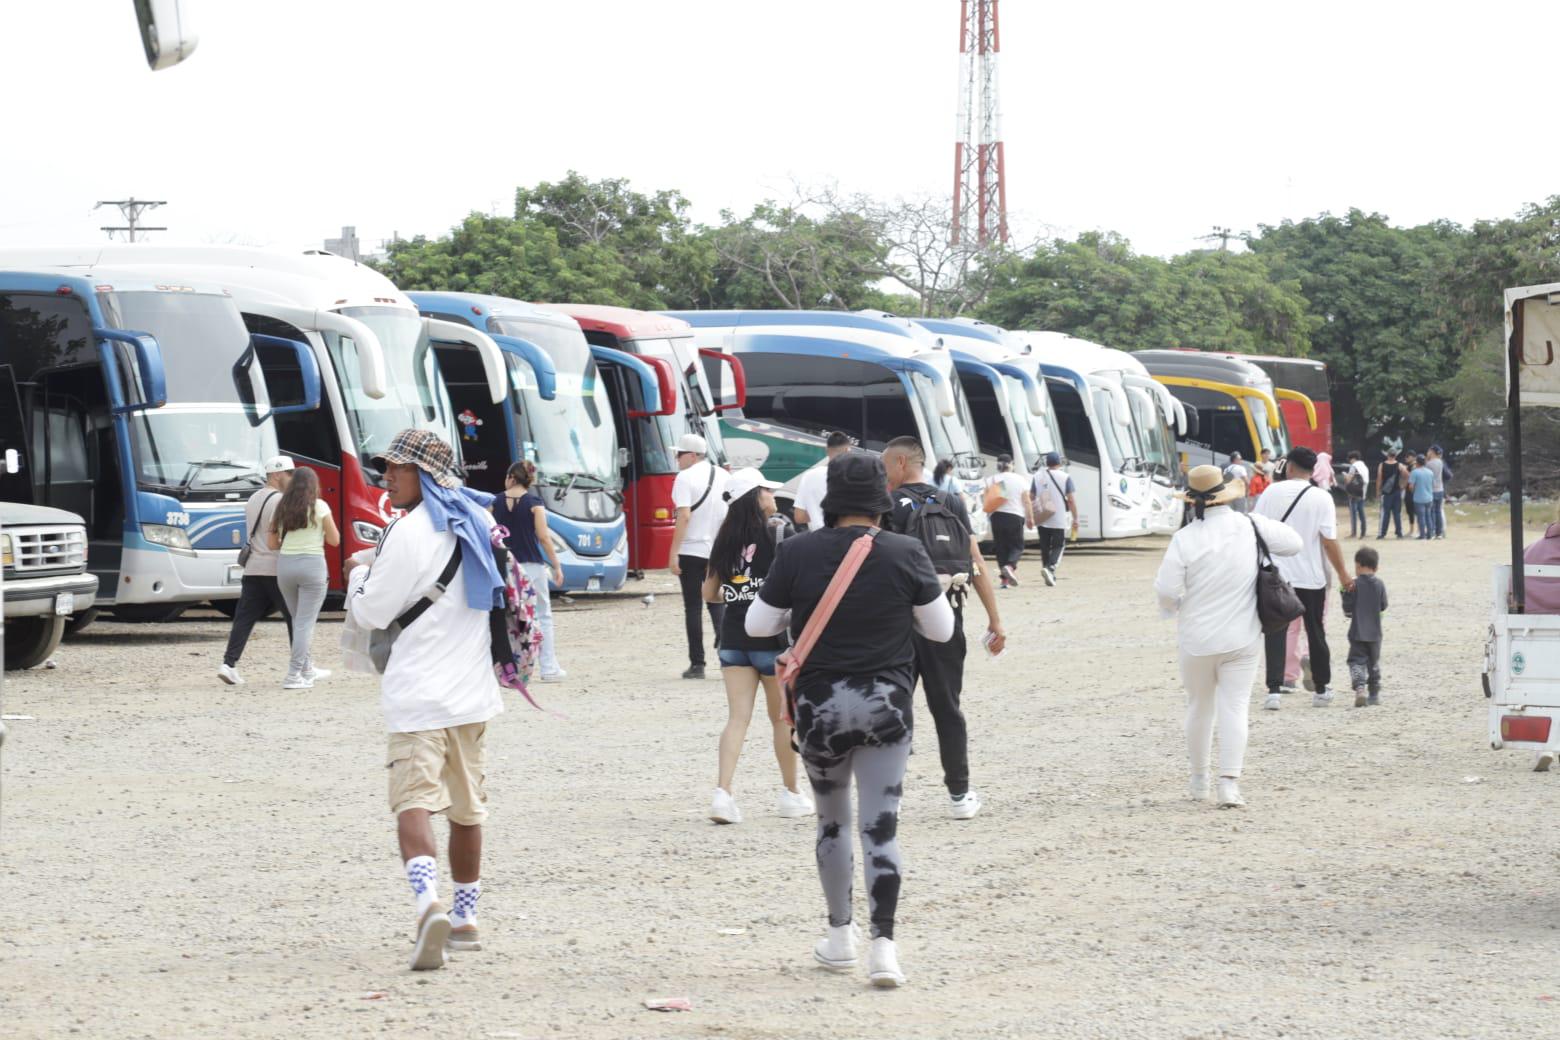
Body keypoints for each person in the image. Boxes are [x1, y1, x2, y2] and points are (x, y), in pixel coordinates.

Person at [745, 452, 955, 988]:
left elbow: (756, 623)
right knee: (880, 828)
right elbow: (940, 631)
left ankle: (840, 937)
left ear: (831, 499)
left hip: (820, 709)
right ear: (882, 499)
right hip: (886, 705)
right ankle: (884, 948)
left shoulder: (796, 551)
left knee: (832, 821)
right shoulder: (906, 552)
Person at [346, 429, 507, 971]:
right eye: (387, 466)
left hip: (417, 695)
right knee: (467, 810)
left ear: (427, 474)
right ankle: (465, 919)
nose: (387, 476)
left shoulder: (407, 531)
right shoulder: (480, 520)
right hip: (474, 695)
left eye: (398, 467)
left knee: (412, 803)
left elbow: (371, 612)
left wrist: (358, 575)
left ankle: (427, 903)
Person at [1155, 466, 1301, 808]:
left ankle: (1198, 781)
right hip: (1242, 636)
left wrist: (1174, 605)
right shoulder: (1249, 525)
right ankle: (1228, 784)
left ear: (1193, 501)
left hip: (1196, 639)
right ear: (1226, 495)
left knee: (1199, 706)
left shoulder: (1185, 538)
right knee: (1235, 707)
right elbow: (1293, 543)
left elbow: (1166, 590)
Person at [882, 436, 1006, 820]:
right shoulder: (951, 501)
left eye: (886, 466)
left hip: (898, 622)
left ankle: (889, 795)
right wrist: (995, 619)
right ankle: (960, 794)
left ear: (902, 463)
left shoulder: (889, 505)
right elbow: (977, 562)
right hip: (948, 614)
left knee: (893, 706)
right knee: (947, 708)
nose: (883, 474)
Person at [702, 467, 812, 824]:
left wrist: (738, 592)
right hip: (771, 639)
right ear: (755, 495)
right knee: (781, 720)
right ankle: (791, 794)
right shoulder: (777, 533)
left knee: (737, 718)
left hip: (732, 639)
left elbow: (708, 593)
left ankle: (723, 794)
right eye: (767, 489)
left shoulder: (723, 538)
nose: (772, 495)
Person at [1252, 447, 1355, 710]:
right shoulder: (1322, 498)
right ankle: (1321, 689)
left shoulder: (1271, 492)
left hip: (1275, 573)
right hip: (1311, 576)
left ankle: (1274, 690)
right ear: (1312, 470)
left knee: (1276, 629)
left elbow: (1257, 530)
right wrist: (1343, 574)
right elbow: (1329, 541)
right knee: (1315, 631)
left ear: (1289, 467)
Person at [219, 456, 295, 685]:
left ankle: (228, 664)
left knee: (244, 618)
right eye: (288, 474)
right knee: (295, 617)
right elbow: (279, 535)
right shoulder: (281, 500)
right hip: (274, 568)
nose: (291, 478)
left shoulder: (252, 498)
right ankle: (302, 665)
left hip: (253, 568)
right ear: (275, 475)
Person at [491, 461, 565, 681]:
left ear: (511, 477)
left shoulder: (493, 502)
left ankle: (507, 667)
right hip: (532, 566)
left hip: (505, 566)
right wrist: (557, 565)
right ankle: (549, 668)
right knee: (542, 615)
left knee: (507, 617)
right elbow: (543, 537)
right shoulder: (535, 503)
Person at [268, 466, 339, 689]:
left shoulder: (281, 507)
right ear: (313, 485)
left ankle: (307, 669)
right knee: (304, 624)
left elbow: (271, 544)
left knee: (298, 620)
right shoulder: (320, 506)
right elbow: (335, 540)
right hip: (312, 565)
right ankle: (293, 675)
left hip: (286, 566)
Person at [668, 433, 730, 679]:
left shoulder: (684, 478)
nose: (676, 459)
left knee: (692, 607)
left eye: (679, 454)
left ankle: (698, 664)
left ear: (692, 455)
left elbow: (684, 516)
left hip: (691, 550)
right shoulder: (724, 476)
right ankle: (727, 657)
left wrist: (673, 553)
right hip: (717, 549)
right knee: (717, 602)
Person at [1341, 546, 1388, 707]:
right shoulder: (1380, 584)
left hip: (1357, 632)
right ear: (1376, 567)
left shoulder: (1353, 585)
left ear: (1358, 565)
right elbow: (1383, 605)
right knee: (1373, 663)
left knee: (1356, 661)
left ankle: (1360, 688)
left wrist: (1344, 595)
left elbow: (1348, 611)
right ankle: (1374, 694)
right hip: (1375, 633)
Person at [984, 453, 1032, 588]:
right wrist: (1030, 517)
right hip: (1015, 516)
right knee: (1017, 546)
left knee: (1001, 548)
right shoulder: (1020, 479)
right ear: (1011, 464)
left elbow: (986, 498)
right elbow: (1027, 501)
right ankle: (1010, 567)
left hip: (996, 517)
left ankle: (1004, 581)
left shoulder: (992, 479)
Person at [792, 432, 852, 532]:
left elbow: (799, 517)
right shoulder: (855, 477)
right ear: (847, 451)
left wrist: (816, 513)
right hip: (844, 538)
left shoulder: (809, 476)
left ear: (826, 451)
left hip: (817, 538)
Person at [1033, 452, 1078, 585]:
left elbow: (1031, 496)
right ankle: (1050, 568)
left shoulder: (1038, 476)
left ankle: (1048, 572)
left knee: (1045, 546)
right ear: (1059, 463)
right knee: (1059, 545)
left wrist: (1031, 514)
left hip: (1042, 516)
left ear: (1047, 463)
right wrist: (1075, 518)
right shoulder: (1065, 477)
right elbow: (1071, 500)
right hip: (1058, 518)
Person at [1377, 450, 1406, 539]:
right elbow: (1407, 475)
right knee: (1397, 513)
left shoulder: (1382, 465)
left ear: (1387, 455)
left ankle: (1382, 533)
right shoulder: (1400, 465)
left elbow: (1379, 478)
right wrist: (1403, 485)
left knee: (1385, 513)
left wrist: (1378, 491)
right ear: (1395, 456)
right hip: (1397, 492)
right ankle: (1399, 532)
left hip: (1386, 492)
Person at [1408, 455, 1435, 540]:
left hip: (1419, 498)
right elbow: (1433, 484)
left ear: (1417, 463)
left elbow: (1411, 486)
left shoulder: (1415, 472)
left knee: (1421, 517)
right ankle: (1430, 534)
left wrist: (1413, 492)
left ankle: (1422, 535)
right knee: (1428, 516)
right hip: (1429, 497)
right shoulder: (1430, 472)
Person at [1343, 451, 1369, 539]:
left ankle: (1353, 533)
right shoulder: (1364, 466)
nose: (1350, 461)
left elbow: (1349, 479)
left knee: (1353, 513)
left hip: (1354, 493)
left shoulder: (1354, 466)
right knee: (1361, 512)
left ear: (1353, 458)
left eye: (1350, 459)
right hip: (1362, 492)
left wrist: (1345, 476)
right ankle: (1363, 532)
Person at [1426, 445, 1449, 539]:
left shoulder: (1429, 464)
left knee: (1432, 512)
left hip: (1432, 490)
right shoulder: (1440, 462)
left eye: (1429, 451)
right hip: (1440, 489)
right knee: (1438, 511)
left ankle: (1432, 531)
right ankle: (1439, 533)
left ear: (1432, 452)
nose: (1428, 453)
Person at [1402, 451, 1419, 536]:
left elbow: (1411, 478)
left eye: (1407, 457)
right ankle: (1412, 530)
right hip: (1408, 491)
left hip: (1412, 491)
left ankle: (1415, 530)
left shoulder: (1415, 466)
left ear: (1413, 457)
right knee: (1410, 511)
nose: (1406, 459)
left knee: (1414, 511)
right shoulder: (1409, 466)